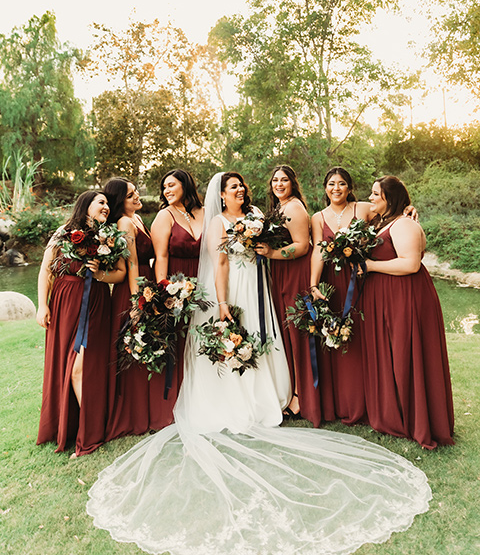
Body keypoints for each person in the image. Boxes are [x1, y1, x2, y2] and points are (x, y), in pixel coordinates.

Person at [87, 172, 432, 555]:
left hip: (257, 285)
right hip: (233, 285)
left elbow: (303, 240)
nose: (239, 189)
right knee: (233, 339)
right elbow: (219, 265)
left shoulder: (255, 214)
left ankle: (270, 395)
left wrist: (408, 211)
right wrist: (220, 305)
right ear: (223, 194)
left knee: (263, 342)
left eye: (240, 186)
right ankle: (233, 397)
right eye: (232, 187)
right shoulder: (218, 222)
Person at [359, 175, 454, 449]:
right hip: (390, 296)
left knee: (406, 354)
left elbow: (411, 264)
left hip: (405, 297)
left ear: (390, 198)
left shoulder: (403, 226)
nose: (371, 198)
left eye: (376, 194)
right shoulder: (386, 222)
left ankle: (418, 420)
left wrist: (371, 266)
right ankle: (398, 415)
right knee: (396, 355)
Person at [36, 191, 126, 457]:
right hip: (64, 302)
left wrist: (100, 273)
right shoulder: (63, 231)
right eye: (101, 202)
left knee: (80, 367)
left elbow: (120, 274)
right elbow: (46, 269)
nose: (107, 207)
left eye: (108, 203)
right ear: (85, 205)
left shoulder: (109, 236)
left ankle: (90, 433)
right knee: (65, 363)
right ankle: (71, 427)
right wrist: (42, 305)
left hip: (95, 304)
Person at [104, 177, 173, 440]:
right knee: (136, 345)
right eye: (130, 194)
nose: (136, 196)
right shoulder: (123, 222)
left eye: (135, 192)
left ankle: (153, 408)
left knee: (149, 344)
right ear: (120, 200)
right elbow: (132, 263)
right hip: (133, 290)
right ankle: (135, 413)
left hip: (146, 285)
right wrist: (137, 302)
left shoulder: (136, 219)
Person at [310, 167, 373, 424]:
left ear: (349, 188)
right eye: (331, 184)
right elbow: (317, 251)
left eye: (342, 184)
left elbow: (393, 210)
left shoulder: (364, 209)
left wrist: (410, 211)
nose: (336, 188)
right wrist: (314, 285)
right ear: (325, 188)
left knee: (362, 338)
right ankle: (340, 403)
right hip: (331, 282)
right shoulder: (317, 217)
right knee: (335, 338)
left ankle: (366, 402)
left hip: (360, 280)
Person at [255, 165, 317, 424]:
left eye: (284, 180)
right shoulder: (279, 208)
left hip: (295, 272)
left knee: (298, 332)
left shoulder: (293, 207)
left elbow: (302, 246)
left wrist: (272, 254)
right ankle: (292, 390)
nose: (279, 184)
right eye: (275, 180)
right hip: (281, 272)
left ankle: (302, 397)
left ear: (293, 183)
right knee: (287, 333)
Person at [150, 168, 203, 281]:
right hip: (177, 284)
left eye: (171, 185)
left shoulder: (206, 212)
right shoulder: (165, 216)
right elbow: (161, 257)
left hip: (206, 280)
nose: (166, 191)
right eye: (164, 187)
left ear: (185, 186)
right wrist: (163, 288)